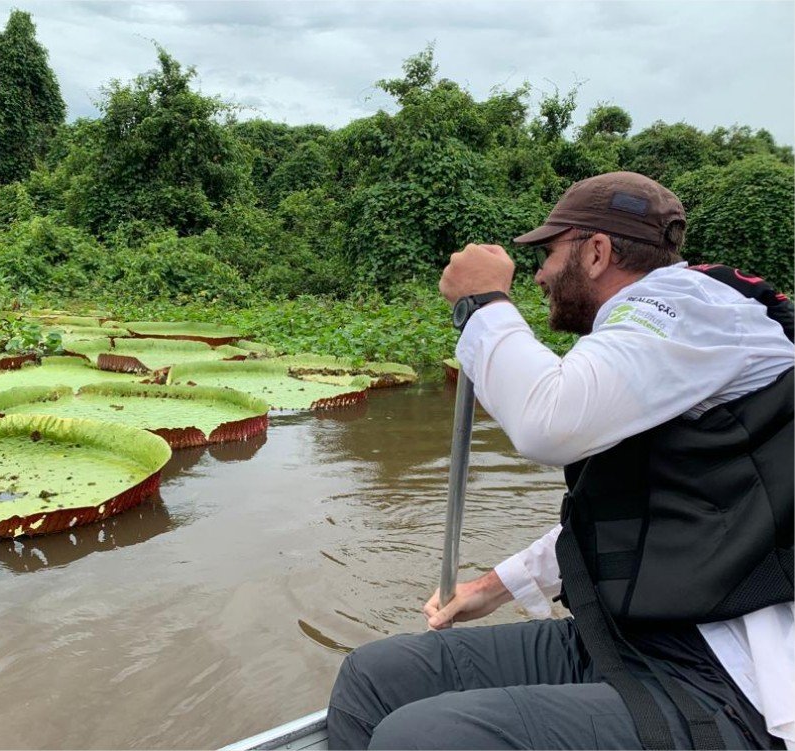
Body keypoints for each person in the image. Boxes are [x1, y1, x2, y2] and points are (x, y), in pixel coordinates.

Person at [327, 171, 794, 750]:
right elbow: (632, 514)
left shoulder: (689, 305)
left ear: (596, 252)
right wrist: (493, 587)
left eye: (549, 253)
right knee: (377, 675)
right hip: (626, 639)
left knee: (424, 736)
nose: (542, 275)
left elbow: (548, 423)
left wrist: (483, 303)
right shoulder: (661, 345)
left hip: (724, 669)